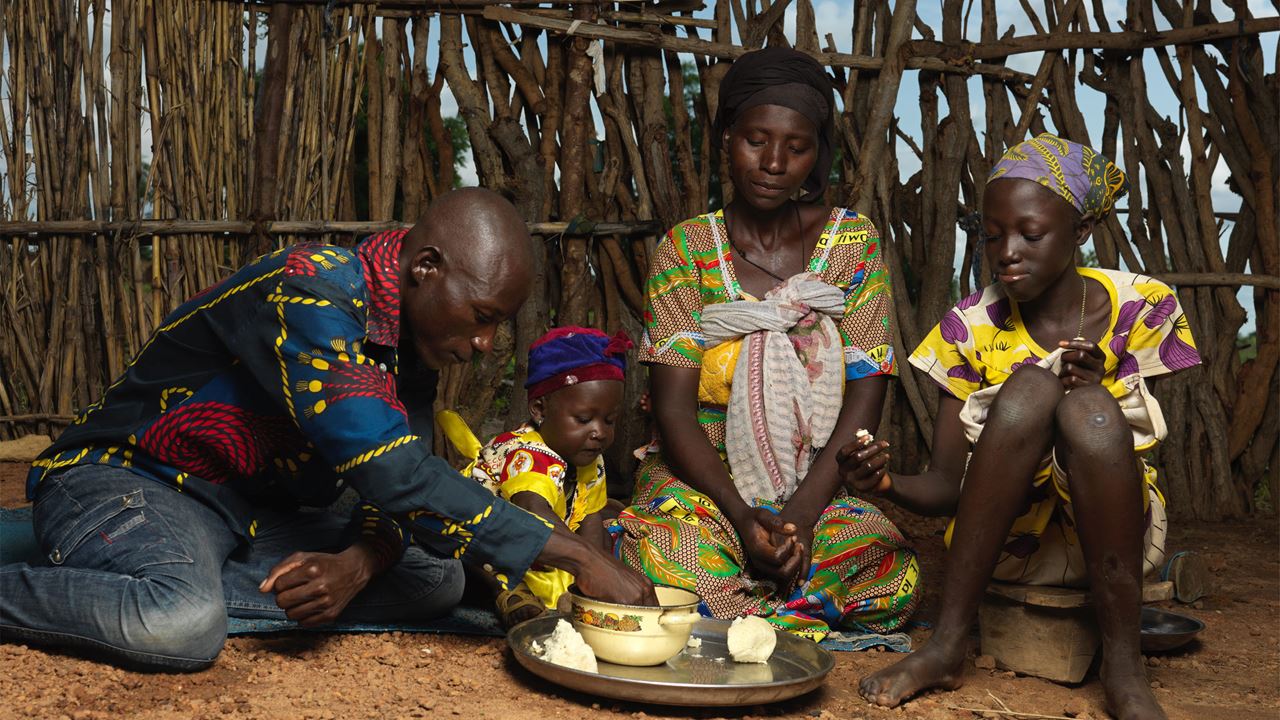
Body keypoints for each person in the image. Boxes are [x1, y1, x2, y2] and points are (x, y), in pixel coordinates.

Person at [0, 188, 656, 671]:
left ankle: (168, 575)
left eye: (496, 326)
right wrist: (578, 555)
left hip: (247, 512)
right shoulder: (309, 291)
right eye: (481, 316)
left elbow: (405, 478)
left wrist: (353, 565)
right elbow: (394, 474)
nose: (485, 343)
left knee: (439, 579)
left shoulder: (412, 340)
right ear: (426, 266)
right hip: (131, 484)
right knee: (180, 624)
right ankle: (165, 585)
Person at [846, 134, 1199, 720]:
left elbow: (1138, 447)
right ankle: (947, 646)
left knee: (1089, 409)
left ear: (1081, 231)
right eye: (991, 235)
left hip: (1117, 544)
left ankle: (1124, 667)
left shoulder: (1143, 306)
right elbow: (946, 484)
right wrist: (885, 486)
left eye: (1030, 235)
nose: (1006, 252)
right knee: (1030, 386)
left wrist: (1096, 391)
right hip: (1009, 546)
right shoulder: (969, 327)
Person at [611, 47, 919, 641]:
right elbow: (673, 412)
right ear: (727, 137)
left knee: (887, 563)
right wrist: (740, 512)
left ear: (817, 152)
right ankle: (785, 614)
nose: (774, 162)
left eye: (796, 147)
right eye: (756, 139)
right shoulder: (687, 249)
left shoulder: (851, 243)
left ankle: (733, 616)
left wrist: (800, 515)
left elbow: (866, 394)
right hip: (704, 476)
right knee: (667, 555)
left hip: (814, 476)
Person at [438, 326, 630, 626]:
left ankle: (567, 594)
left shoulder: (591, 459)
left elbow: (590, 520)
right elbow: (534, 514)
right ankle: (509, 591)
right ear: (540, 409)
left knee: (604, 537)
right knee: (476, 548)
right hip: (484, 540)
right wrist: (592, 566)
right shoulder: (527, 453)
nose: (599, 432)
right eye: (583, 419)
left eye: (610, 421)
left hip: (540, 548)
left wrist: (604, 572)